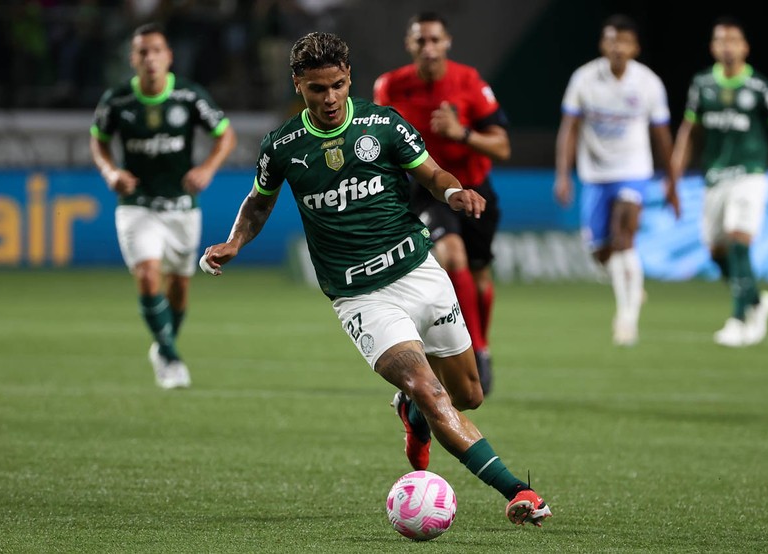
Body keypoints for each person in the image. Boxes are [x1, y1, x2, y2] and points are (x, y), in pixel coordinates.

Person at [200, 32, 551, 527]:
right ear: (298, 84)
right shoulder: (282, 147)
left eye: (338, 86)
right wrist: (235, 241)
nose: (329, 99)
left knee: (468, 395)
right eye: (317, 89)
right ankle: (519, 491)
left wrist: (454, 194)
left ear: (350, 79)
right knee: (431, 390)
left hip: (420, 274)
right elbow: (259, 202)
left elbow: (431, 173)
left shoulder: (382, 124)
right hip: (359, 297)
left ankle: (411, 413)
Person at [90, 22, 237, 388]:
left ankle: (163, 344)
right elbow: (99, 139)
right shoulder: (118, 99)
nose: (150, 58)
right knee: (146, 273)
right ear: (133, 58)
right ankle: (170, 355)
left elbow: (225, 135)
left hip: (182, 206)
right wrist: (110, 172)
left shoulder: (189, 96)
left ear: (168, 56)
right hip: (136, 204)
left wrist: (207, 168)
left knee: (180, 286)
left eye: (156, 50)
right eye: (142, 51)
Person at [373, 12, 510, 395]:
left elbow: (502, 146)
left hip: (477, 187)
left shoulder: (469, 83)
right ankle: (470, 351)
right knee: (452, 255)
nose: (429, 48)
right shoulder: (390, 87)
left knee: (481, 274)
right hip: (429, 189)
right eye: (421, 41)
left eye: (435, 40)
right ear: (409, 44)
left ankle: (482, 345)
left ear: (447, 42)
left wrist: (461, 133)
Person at [667, 16, 768, 347]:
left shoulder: (759, 88)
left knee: (739, 238)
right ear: (712, 47)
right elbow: (689, 133)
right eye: (721, 40)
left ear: (745, 47)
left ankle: (738, 319)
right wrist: (673, 178)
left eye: (733, 40)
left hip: (749, 175)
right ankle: (755, 300)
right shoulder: (702, 84)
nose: (727, 46)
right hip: (714, 178)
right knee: (716, 251)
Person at [553, 14, 674, 347]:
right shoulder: (585, 79)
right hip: (595, 174)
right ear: (602, 45)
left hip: (634, 170)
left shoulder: (648, 83)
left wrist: (672, 182)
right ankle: (632, 284)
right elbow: (569, 129)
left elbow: (662, 136)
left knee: (624, 238)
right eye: (611, 40)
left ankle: (626, 319)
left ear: (635, 47)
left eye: (624, 41)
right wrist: (563, 174)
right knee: (600, 252)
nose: (617, 47)